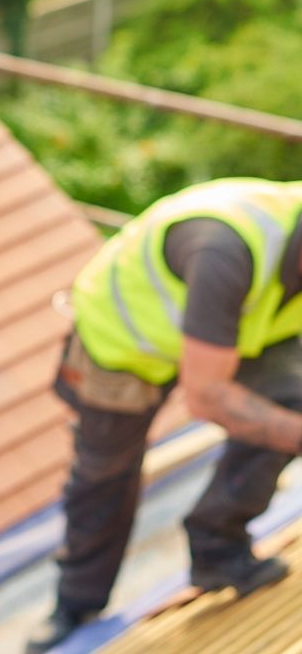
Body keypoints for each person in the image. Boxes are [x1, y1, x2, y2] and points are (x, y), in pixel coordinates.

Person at [27, 177, 302, 653]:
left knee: (288, 403)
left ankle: (219, 551)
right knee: (106, 471)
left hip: (246, 330)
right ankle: (76, 605)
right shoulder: (225, 248)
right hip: (126, 342)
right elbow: (208, 396)